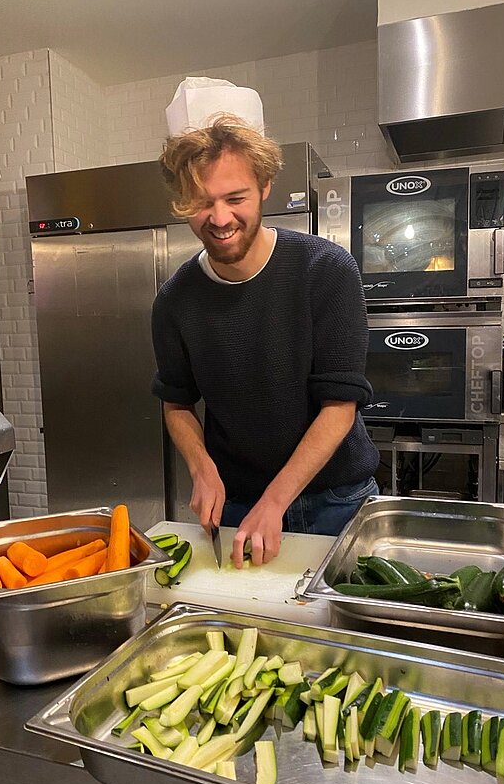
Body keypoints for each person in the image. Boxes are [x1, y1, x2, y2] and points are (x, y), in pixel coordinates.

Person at [151, 108, 379, 569]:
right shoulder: (175, 301)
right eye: (201, 203)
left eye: (236, 197)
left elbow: (340, 407)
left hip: (335, 500)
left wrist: (275, 502)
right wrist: (202, 467)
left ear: (265, 189)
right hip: (238, 502)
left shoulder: (326, 270)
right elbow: (176, 403)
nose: (219, 218)